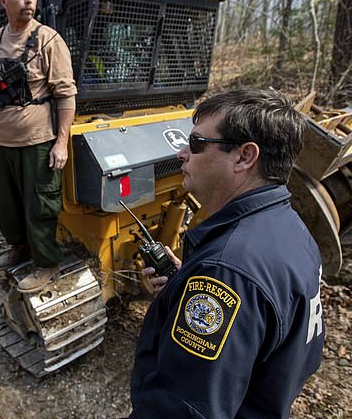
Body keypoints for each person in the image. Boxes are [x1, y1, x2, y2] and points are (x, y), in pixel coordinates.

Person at [130, 88, 325, 418]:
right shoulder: (292, 231)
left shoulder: (228, 273)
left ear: (244, 157)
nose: (181, 153)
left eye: (196, 144)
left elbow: (181, 410)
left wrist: (213, 277)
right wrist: (184, 285)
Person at [0, 0, 77, 293]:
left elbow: (65, 94)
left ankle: (46, 263)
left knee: (39, 206)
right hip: (0, 142)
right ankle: (18, 247)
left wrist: (61, 143)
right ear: (4, 1)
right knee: (8, 204)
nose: (28, 0)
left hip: (37, 143)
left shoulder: (49, 40)